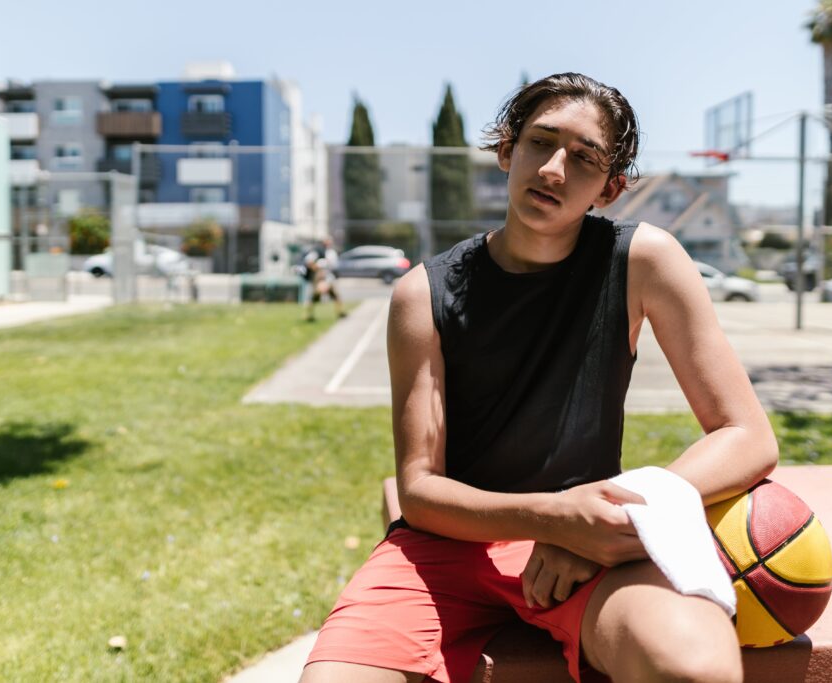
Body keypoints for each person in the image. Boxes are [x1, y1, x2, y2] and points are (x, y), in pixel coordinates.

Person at [301, 73, 778, 683]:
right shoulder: (423, 294)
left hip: (588, 548)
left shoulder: (643, 260)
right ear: (507, 151)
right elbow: (420, 490)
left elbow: (746, 435)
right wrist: (550, 517)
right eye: (540, 142)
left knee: (693, 670)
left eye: (583, 159)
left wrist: (621, 517)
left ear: (610, 188)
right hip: (447, 548)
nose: (554, 169)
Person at [302, 237, 345, 322]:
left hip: (328, 277)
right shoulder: (316, 251)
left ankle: (340, 312)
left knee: (335, 295)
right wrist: (317, 268)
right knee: (313, 297)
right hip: (319, 277)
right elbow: (308, 262)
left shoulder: (331, 252)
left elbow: (334, 265)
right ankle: (308, 315)